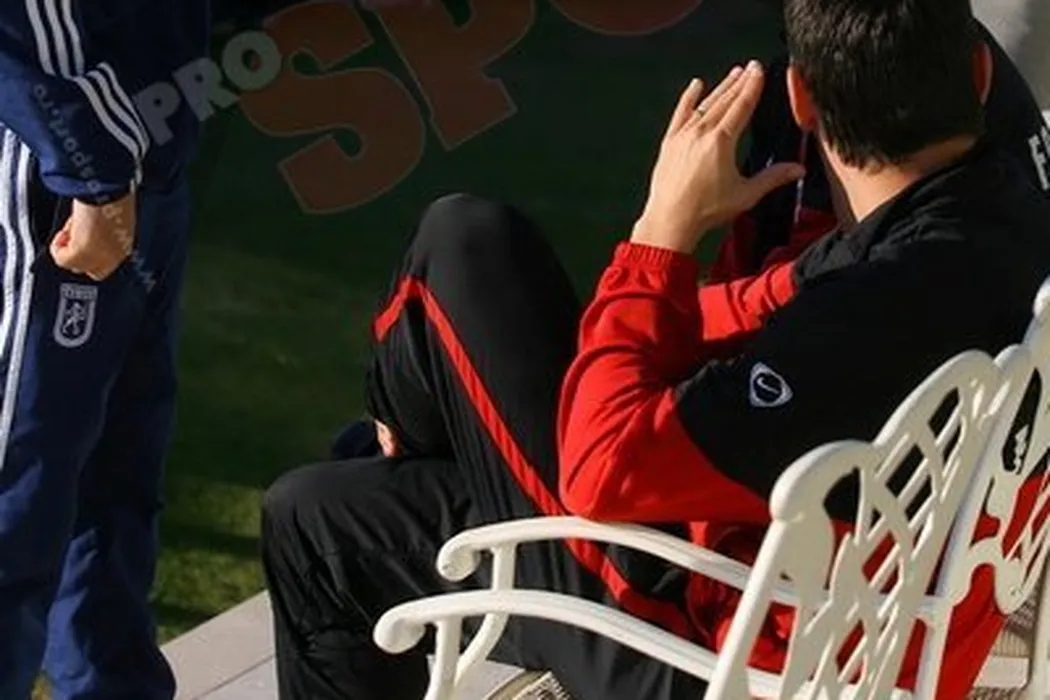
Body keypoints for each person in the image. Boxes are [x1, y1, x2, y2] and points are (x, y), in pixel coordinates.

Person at [261, 1, 1050, 700]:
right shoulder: (984, 210)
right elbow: (794, 294)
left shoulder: (865, 316)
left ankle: (395, 434)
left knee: (462, 242)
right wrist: (665, 308)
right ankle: (394, 445)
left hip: (721, 659)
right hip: (877, 615)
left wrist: (661, 235)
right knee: (316, 510)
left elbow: (602, 469)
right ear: (979, 74)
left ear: (801, 98)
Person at [0, 3, 208, 699]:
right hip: (58, 169)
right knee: (19, 504)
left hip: (144, 148)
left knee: (117, 480)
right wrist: (91, 169)